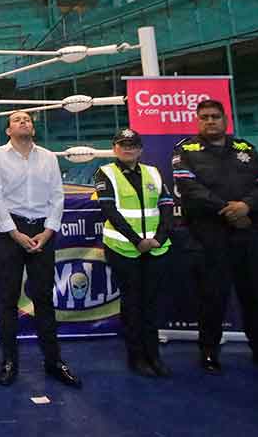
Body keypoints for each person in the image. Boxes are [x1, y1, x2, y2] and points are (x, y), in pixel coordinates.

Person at [172, 99, 258, 377]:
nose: (210, 121)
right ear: (197, 120)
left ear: (225, 119)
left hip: (249, 232)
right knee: (212, 297)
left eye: (215, 116)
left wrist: (247, 206)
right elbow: (188, 187)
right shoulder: (185, 150)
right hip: (209, 235)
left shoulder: (245, 149)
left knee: (255, 296)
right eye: (204, 117)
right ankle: (208, 351)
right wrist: (227, 209)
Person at [0, 111, 81, 388]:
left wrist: (48, 231)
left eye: (27, 119)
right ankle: (9, 362)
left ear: (34, 129)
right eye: (17, 120)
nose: (24, 122)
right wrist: (13, 233)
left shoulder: (49, 157)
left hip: (43, 232)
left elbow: (57, 196)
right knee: (8, 300)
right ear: (8, 130)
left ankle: (54, 361)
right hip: (10, 232)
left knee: (44, 300)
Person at [93, 128, 174, 378]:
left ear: (140, 149)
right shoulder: (105, 173)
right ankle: (136, 356)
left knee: (151, 302)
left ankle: (154, 356)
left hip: (156, 248)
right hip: (123, 248)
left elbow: (167, 206)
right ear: (115, 148)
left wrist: (158, 238)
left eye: (133, 144)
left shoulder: (153, 172)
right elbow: (110, 211)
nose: (128, 148)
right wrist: (137, 240)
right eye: (122, 144)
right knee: (132, 303)